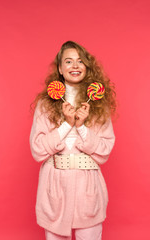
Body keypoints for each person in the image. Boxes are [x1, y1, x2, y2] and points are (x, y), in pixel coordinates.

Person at [29, 41, 116, 240]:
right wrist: (67, 125)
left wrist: (81, 126)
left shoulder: (98, 103)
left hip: (88, 187)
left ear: (86, 66)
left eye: (80, 61)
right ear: (60, 68)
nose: (75, 66)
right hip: (54, 186)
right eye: (68, 61)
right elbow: (37, 149)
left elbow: (104, 150)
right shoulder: (45, 104)